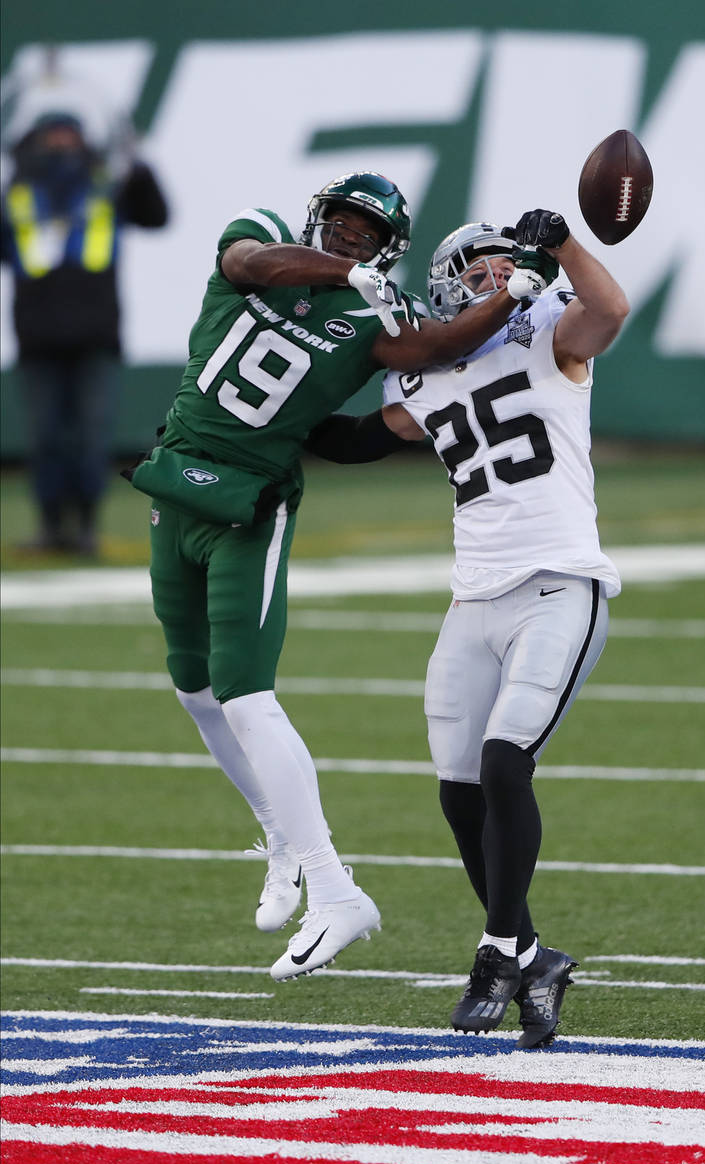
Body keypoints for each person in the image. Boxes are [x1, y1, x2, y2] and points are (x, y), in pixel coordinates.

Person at [127, 171, 543, 982]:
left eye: (366, 232)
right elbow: (250, 264)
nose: (352, 236)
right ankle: (279, 837)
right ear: (322, 217)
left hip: (250, 504)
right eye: (344, 222)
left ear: (388, 246)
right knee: (193, 690)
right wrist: (339, 272)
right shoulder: (265, 235)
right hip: (176, 478)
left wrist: (515, 291)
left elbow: (439, 347)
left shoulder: (374, 313)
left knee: (246, 692)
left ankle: (335, 888)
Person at [307, 208, 628, 1043]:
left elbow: (611, 309)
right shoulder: (424, 372)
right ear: (449, 283)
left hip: (560, 581)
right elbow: (352, 442)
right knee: (457, 791)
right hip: (473, 597)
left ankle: (494, 952)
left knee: (503, 762)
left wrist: (560, 245)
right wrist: (233, 432)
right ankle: (529, 952)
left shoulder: (550, 336)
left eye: (503, 264)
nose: (495, 276)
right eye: (477, 267)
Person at [1, 110, 168, 555]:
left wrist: (139, 166)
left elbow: (156, 215)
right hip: (36, 339)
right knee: (45, 440)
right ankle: (52, 527)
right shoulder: (18, 193)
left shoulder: (104, 185)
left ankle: (87, 527)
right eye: (51, 135)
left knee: (92, 438)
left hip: (97, 336)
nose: (60, 144)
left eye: (67, 135)